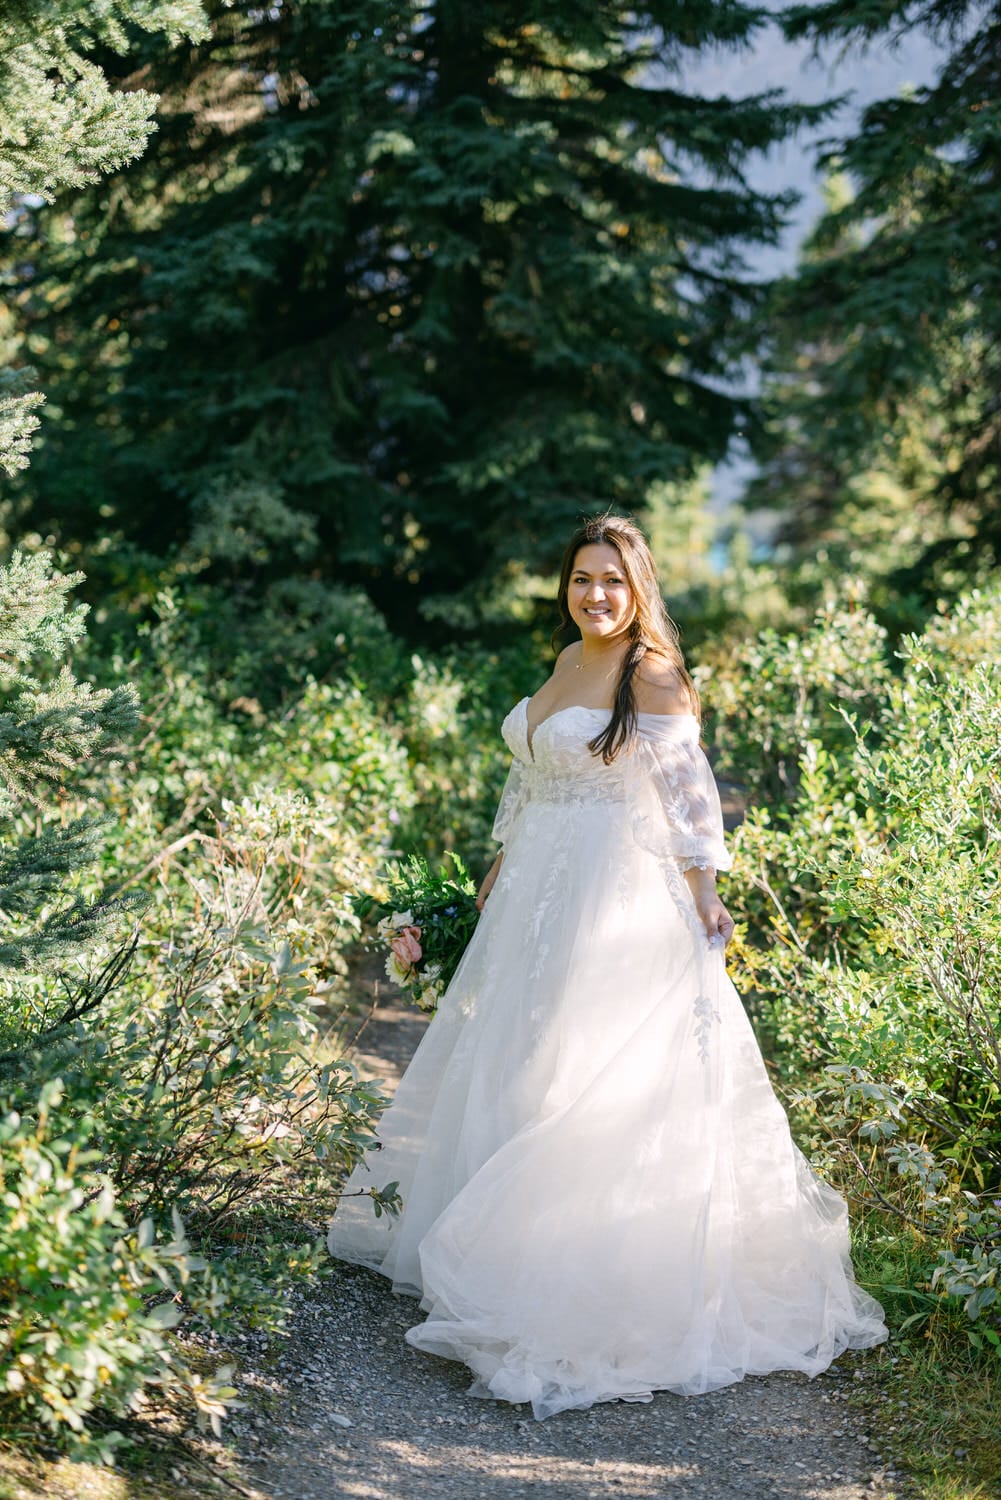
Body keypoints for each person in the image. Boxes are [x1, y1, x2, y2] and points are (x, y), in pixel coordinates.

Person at [327, 513, 886, 1420]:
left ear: (638, 590)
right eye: (582, 578)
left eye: (612, 582)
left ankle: (575, 1272)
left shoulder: (649, 672)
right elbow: (527, 780)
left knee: (581, 1063)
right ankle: (497, 1247)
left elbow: (686, 789)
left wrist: (705, 890)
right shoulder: (563, 664)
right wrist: (496, 870)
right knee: (518, 1051)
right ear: (567, 585)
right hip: (532, 890)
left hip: (609, 889)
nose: (595, 595)